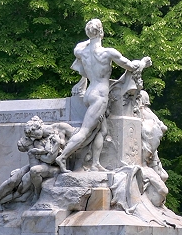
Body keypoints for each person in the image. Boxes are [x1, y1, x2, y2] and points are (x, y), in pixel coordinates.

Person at [55, 19, 151, 173]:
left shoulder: (82, 52)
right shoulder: (108, 53)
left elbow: (77, 47)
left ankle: (95, 164)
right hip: (100, 95)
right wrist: (144, 62)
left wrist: (90, 39)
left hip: (89, 93)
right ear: (101, 32)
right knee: (85, 131)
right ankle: (62, 157)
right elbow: (131, 66)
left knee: (102, 131)